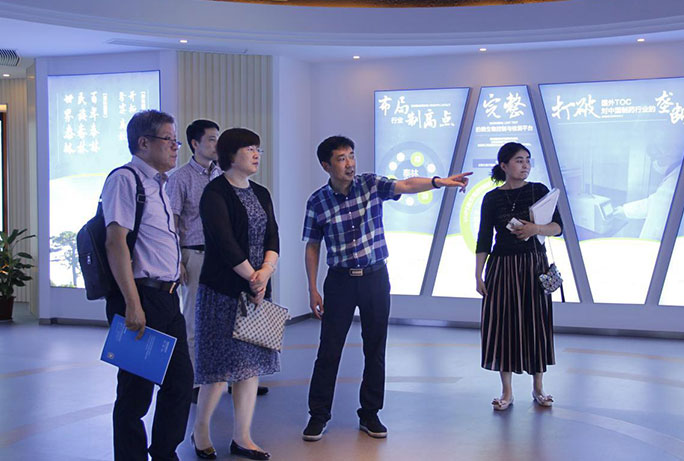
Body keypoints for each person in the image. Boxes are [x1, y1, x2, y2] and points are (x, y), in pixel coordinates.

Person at [301, 135, 471, 441]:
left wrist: (439, 182)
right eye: (341, 158)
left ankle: (370, 413)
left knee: (375, 347)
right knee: (329, 350)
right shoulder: (317, 201)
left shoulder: (369, 184)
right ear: (326, 165)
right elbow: (312, 246)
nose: (350, 163)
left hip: (375, 278)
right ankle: (318, 415)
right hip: (339, 281)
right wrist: (312, 289)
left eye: (352, 155)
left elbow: (406, 184)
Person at [102, 109, 193, 460]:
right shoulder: (125, 180)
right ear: (143, 143)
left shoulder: (159, 184)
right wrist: (132, 304)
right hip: (141, 297)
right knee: (135, 393)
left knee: (180, 382)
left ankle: (165, 452)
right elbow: (116, 242)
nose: (175, 147)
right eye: (169, 140)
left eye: (176, 141)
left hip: (167, 299)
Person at [192, 128, 279, 460]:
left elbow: (273, 236)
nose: (256, 154)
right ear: (230, 154)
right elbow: (224, 242)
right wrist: (252, 277)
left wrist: (265, 272)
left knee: (249, 367)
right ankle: (201, 431)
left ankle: (242, 437)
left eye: (258, 149)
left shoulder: (261, 192)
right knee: (217, 370)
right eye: (249, 148)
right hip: (222, 292)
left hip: (256, 292)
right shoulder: (215, 192)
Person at [474, 142, 562, 411]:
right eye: (518, 160)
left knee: (536, 323)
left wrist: (536, 229)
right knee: (504, 325)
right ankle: (507, 391)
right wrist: (478, 274)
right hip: (502, 266)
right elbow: (484, 238)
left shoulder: (538, 190)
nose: (525, 165)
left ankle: (539, 388)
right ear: (504, 165)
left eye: (527, 160)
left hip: (534, 265)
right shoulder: (491, 198)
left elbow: (558, 227)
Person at [166, 119, 221, 402]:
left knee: (222, 319)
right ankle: (194, 381)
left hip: (222, 257)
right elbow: (171, 222)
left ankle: (222, 379)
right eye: (211, 139)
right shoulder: (180, 178)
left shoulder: (222, 174)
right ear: (195, 144)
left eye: (217, 138)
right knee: (193, 321)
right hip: (194, 253)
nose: (216, 144)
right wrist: (177, 260)